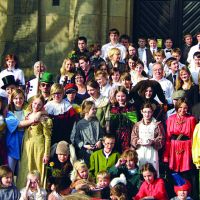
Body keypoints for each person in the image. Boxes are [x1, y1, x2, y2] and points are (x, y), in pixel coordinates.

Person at [163, 98, 197, 199]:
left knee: (186, 173)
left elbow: (193, 137)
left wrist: (192, 153)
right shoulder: (171, 119)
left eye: (185, 108)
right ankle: (174, 196)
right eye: (181, 107)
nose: (183, 110)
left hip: (186, 147)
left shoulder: (191, 119)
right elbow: (168, 138)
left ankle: (188, 196)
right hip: (173, 146)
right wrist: (166, 155)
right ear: (177, 107)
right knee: (173, 173)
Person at [17, 95, 53, 189]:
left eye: (39, 104)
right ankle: (23, 192)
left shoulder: (45, 118)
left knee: (37, 169)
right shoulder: (27, 115)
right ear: (32, 103)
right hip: (27, 146)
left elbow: (47, 137)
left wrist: (46, 154)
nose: (36, 106)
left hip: (39, 148)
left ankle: (38, 194)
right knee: (25, 168)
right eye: (35, 103)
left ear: (42, 106)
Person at [5, 89, 36, 175]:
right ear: (12, 99)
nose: (18, 100)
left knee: (22, 172)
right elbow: (19, 124)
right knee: (10, 170)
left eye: (21, 98)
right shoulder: (9, 113)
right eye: (16, 98)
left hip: (25, 142)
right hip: (13, 144)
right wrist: (33, 120)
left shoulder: (27, 111)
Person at [131, 103, 165, 173]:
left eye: (149, 112)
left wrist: (153, 142)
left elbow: (162, 138)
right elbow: (133, 138)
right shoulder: (137, 125)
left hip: (152, 151)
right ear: (141, 112)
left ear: (152, 112)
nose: (147, 114)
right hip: (140, 151)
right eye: (145, 112)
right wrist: (137, 141)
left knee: (152, 170)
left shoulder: (157, 124)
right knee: (141, 169)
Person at [109, 86, 138, 153]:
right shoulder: (113, 108)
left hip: (128, 136)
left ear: (126, 96)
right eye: (118, 96)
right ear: (115, 96)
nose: (120, 98)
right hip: (116, 137)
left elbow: (134, 125)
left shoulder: (131, 108)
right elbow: (111, 126)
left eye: (123, 96)